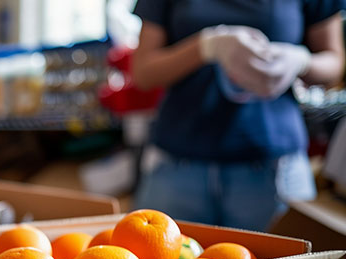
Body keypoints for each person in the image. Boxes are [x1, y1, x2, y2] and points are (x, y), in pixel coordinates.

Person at [131, 0, 345, 231]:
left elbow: (334, 63)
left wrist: (301, 61)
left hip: (273, 167)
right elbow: (143, 72)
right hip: (179, 165)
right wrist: (205, 46)